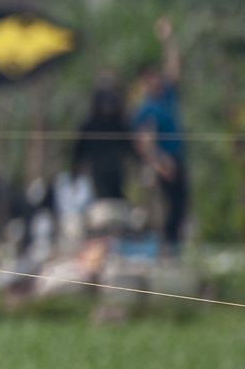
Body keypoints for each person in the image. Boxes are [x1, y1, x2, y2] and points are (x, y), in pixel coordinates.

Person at [133, 16, 189, 252]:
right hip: (161, 162)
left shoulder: (166, 94)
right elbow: (143, 141)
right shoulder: (145, 107)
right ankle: (165, 247)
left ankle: (174, 246)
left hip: (177, 157)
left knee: (181, 202)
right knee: (163, 207)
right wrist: (158, 161)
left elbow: (175, 65)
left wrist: (167, 38)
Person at [71, 78, 135, 204]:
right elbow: (79, 152)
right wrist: (75, 176)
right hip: (98, 170)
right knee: (103, 201)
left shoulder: (118, 123)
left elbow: (129, 146)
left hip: (116, 168)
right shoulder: (89, 126)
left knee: (118, 199)